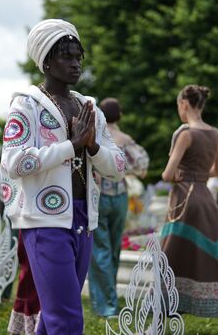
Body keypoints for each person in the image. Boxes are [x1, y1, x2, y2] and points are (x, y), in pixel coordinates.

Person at [0, 18, 125, 334]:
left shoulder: (87, 107)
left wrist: (93, 144)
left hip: (84, 219)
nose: (75, 63)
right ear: (46, 62)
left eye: (78, 56)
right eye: (66, 57)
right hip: (44, 221)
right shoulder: (25, 106)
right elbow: (14, 163)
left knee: (54, 317)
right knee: (66, 318)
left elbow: (118, 167)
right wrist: (72, 146)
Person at [161, 85, 218, 335]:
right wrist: (199, 174)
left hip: (184, 201)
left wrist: (183, 174)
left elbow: (168, 174)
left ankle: (159, 321)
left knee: (170, 257)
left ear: (184, 104)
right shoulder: (215, 133)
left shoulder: (185, 134)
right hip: (206, 199)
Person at [88, 97, 149, 317]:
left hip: (99, 196)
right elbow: (142, 163)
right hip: (121, 197)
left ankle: (107, 305)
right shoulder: (125, 139)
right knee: (114, 250)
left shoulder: (97, 136)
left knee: (99, 251)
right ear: (119, 115)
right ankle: (111, 299)